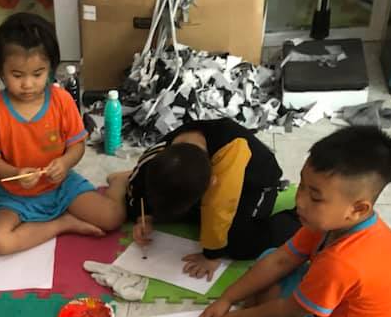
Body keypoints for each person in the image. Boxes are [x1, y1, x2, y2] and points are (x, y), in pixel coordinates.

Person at [198, 126, 391, 317]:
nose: (300, 201)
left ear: (358, 209)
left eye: (316, 198)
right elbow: (281, 259)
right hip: (326, 302)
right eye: (302, 186)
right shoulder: (329, 224)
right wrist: (227, 299)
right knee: (270, 256)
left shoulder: (343, 261)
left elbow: (294, 309)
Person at [0, 12, 125, 255]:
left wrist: (64, 163)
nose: (28, 84)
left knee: (112, 218)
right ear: (1, 70)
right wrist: (15, 173)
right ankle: (63, 224)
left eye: (37, 74)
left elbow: (77, 146)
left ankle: (118, 181)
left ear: (51, 69)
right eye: (17, 75)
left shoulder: (61, 100)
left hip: (61, 186)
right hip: (14, 196)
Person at [112, 118, 301, 281]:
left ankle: (297, 220)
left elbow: (220, 208)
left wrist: (211, 255)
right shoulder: (155, 156)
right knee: (152, 205)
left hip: (255, 185)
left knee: (239, 244)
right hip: (205, 184)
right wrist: (145, 217)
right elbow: (138, 186)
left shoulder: (229, 155)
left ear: (211, 183)